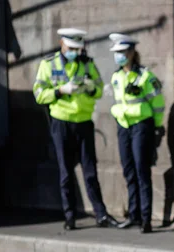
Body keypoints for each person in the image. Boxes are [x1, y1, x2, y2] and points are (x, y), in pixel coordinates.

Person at [33, 28, 119, 230]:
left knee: (90, 171)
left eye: (78, 49)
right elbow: (38, 93)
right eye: (71, 48)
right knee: (65, 172)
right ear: (62, 44)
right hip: (61, 122)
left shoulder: (87, 63)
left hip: (84, 122)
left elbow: (98, 89)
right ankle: (70, 216)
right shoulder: (48, 64)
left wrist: (91, 88)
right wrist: (60, 91)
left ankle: (101, 214)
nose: (75, 52)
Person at [107, 33, 166, 234]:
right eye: (117, 53)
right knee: (128, 170)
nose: (119, 56)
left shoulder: (145, 76)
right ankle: (134, 215)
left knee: (142, 171)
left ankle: (146, 219)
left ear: (132, 53)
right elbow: (117, 102)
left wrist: (157, 127)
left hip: (142, 126)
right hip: (124, 126)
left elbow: (158, 103)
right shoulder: (116, 77)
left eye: (122, 52)